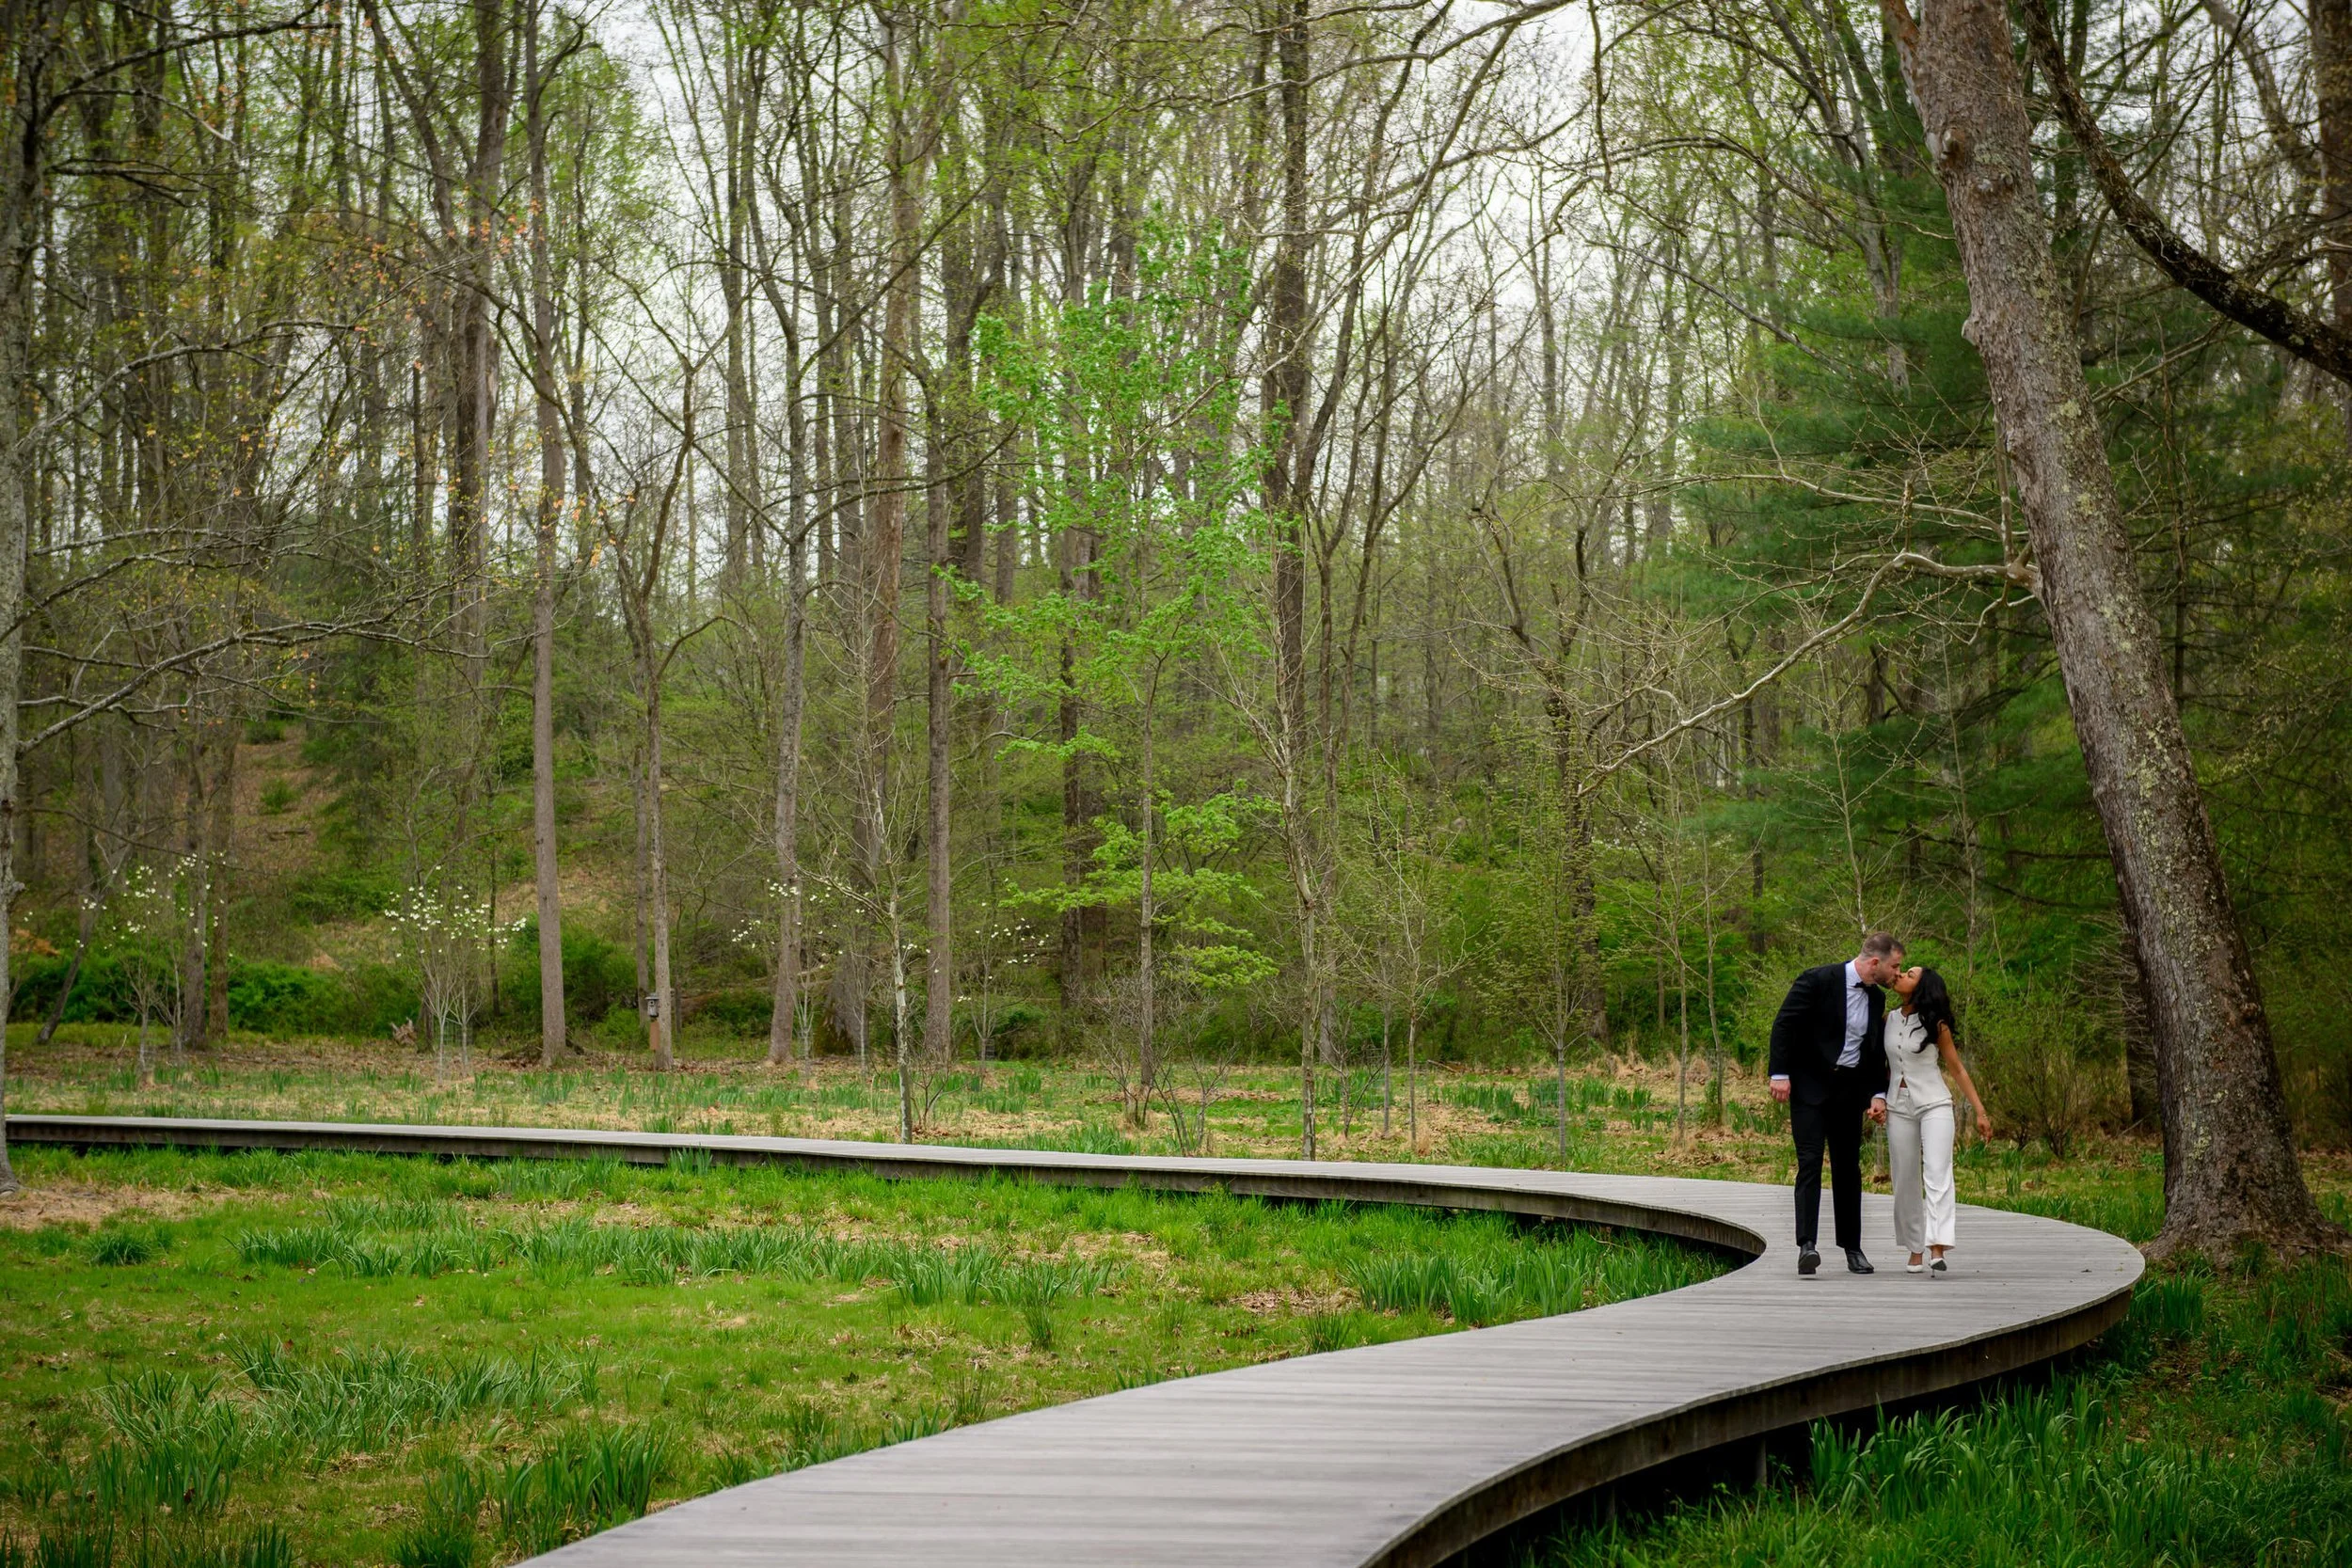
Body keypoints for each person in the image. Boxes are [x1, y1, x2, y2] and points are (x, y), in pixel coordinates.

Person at [1769, 932, 1901, 1276]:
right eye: (1895, 966)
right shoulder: (1817, 980)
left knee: (1848, 1169)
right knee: (1810, 1163)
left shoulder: (1875, 1000)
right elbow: (1784, 1024)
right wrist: (1779, 1073)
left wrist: (1877, 1093)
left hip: (1848, 1092)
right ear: (1876, 963)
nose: (1897, 974)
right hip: (1809, 1088)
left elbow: (1872, 1051)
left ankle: (1852, 1248)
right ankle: (1806, 1246)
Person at [1883, 965, 1992, 1275]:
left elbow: (1957, 1069)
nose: (1902, 975)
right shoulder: (1887, 1020)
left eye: (1910, 974)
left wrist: (1980, 1111)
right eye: (1903, 971)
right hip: (1898, 1105)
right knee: (1904, 1177)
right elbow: (1880, 1067)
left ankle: (1937, 1247)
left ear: (1922, 987)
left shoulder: (1936, 1025)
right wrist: (1875, 1099)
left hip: (1935, 1105)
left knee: (1937, 1172)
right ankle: (1915, 1249)